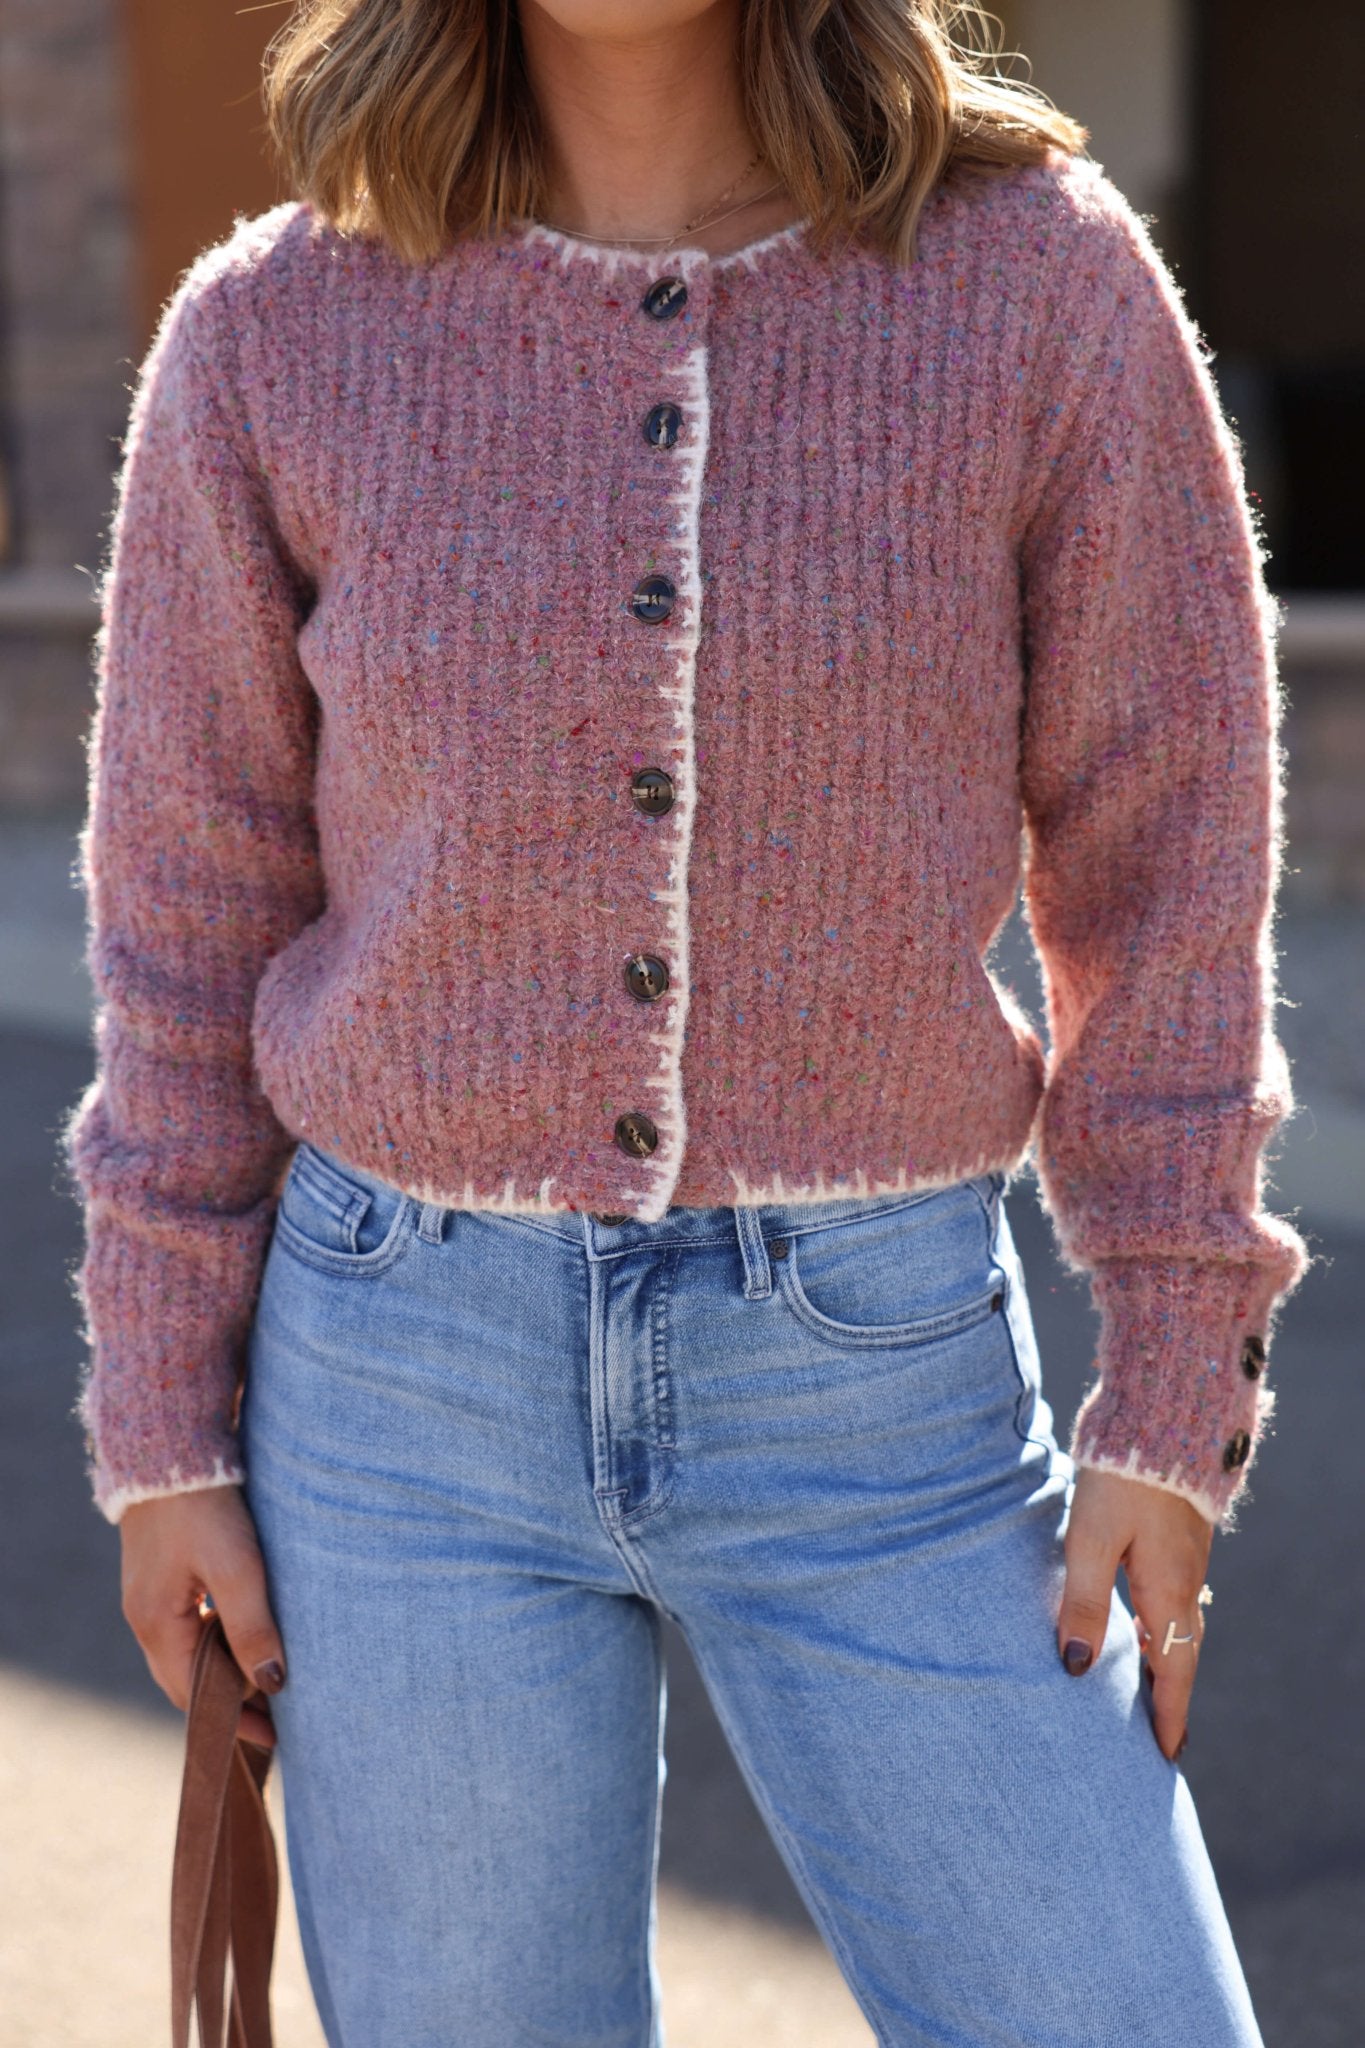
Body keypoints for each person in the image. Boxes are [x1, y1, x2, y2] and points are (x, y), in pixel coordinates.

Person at [64, 2, 1312, 2041]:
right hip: (393, 1397)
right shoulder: (275, 332)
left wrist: (1176, 1377)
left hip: (874, 1387)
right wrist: (162, 1425)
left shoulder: (1035, 285)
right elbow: (189, 920)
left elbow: (1164, 847)